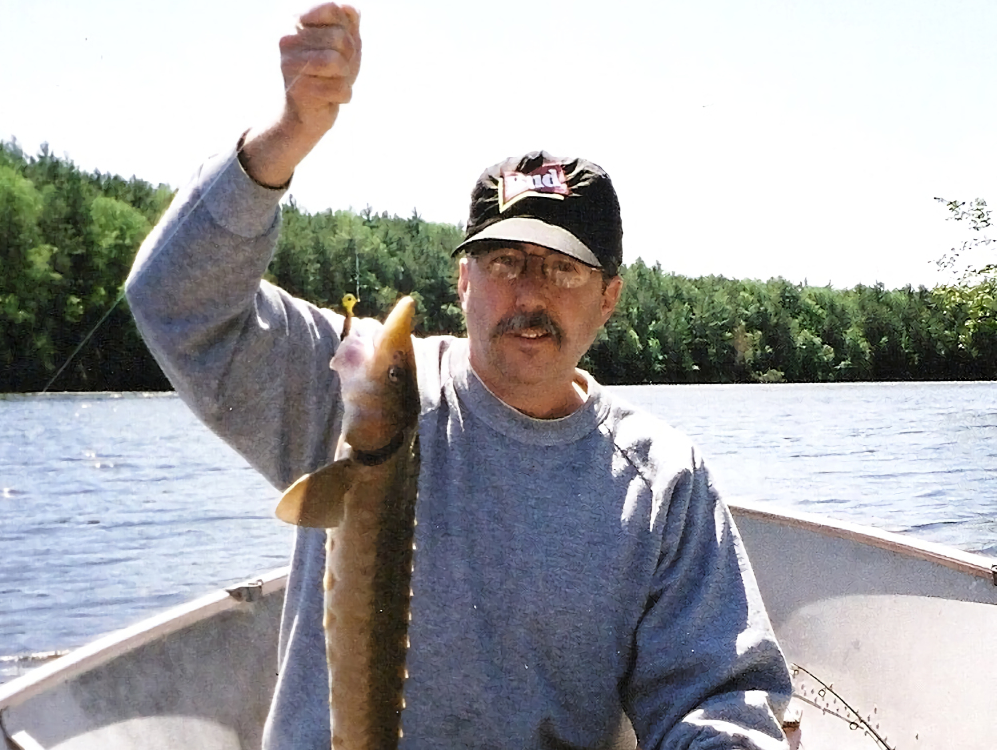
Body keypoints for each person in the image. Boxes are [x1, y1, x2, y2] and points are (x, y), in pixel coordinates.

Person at [125, 4, 792, 748]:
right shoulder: (354, 385)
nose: (530, 294)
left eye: (562, 270)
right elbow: (172, 301)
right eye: (505, 263)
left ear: (609, 298)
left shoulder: (661, 482)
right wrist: (285, 136)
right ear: (463, 282)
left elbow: (716, 701)